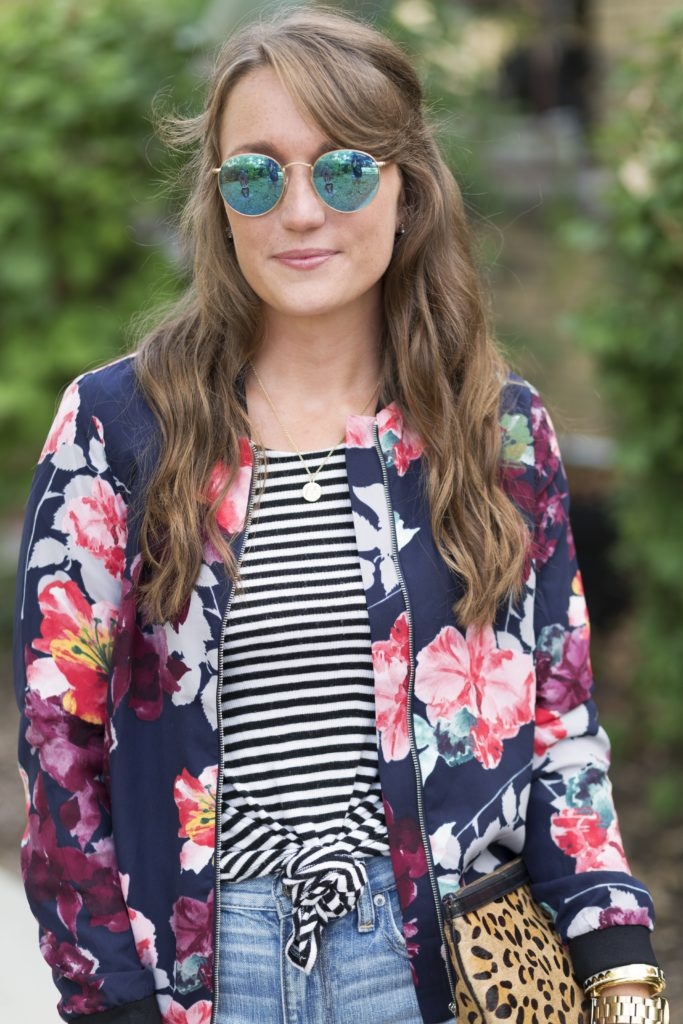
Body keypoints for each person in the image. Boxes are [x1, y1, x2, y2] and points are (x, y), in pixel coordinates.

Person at [13, 8, 666, 1024]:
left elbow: (561, 723)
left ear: (404, 189)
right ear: (221, 200)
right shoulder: (117, 427)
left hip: (447, 964)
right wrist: (109, 991)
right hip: (212, 967)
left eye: (344, 170)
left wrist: (615, 954)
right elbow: (62, 745)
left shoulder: (498, 429)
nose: (301, 210)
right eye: (257, 175)